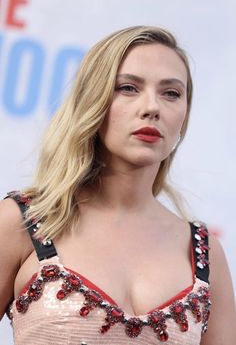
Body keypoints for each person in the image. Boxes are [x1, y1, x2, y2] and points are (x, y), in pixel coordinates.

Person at [0, 26, 235, 345]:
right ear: (92, 102)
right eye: (128, 88)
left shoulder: (203, 250)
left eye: (171, 93)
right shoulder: (25, 220)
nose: (152, 107)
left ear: (184, 115)